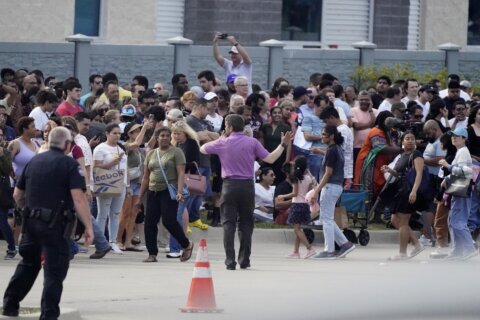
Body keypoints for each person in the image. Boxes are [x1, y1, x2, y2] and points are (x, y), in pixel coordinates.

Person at [2, 126, 94, 319]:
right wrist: (88, 226)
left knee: (28, 264)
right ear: (67, 145)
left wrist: (25, 213)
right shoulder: (69, 165)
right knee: (54, 271)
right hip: (55, 226)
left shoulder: (34, 161)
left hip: (31, 224)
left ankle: (10, 304)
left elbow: (18, 194)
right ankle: (48, 315)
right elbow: (78, 198)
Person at [200, 114, 293, 270]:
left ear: (229, 127)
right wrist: (283, 145)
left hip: (229, 185)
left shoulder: (223, 143)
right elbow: (270, 159)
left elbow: (202, 149)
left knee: (228, 224)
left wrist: (220, 139)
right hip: (248, 185)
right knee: (246, 224)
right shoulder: (252, 142)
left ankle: (230, 261)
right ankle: (244, 259)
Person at [136, 126, 194, 263]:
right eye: (162, 136)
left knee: (169, 221)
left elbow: (181, 173)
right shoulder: (151, 154)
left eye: (168, 135)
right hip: (152, 191)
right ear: (157, 138)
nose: (165, 138)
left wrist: (179, 192)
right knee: (149, 222)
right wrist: (139, 197)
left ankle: (186, 244)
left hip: (169, 191)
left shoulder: (176, 152)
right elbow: (145, 177)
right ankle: (152, 254)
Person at [310, 125, 356, 260]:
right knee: (327, 218)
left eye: (324, 135)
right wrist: (320, 151)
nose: (322, 137)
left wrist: (316, 191)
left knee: (327, 220)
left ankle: (329, 250)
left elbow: (328, 173)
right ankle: (345, 243)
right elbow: (330, 154)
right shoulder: (337, 148)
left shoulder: (332, 150)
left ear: (331, 136)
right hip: (336, 186)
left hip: (330, 186)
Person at [380, 131, 426, 260]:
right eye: (407, 138)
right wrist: (390, 170)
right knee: (395, 220)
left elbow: (419, 174)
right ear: (402, 142)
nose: (410, 140)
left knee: (403, 221)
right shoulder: (402, 155)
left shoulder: (416, 154)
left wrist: (414, 191)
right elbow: (400, 175)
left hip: (409, 190)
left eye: (412, 138)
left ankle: (402, 253)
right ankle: (417, 244)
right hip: (400, 190)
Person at [439, 127, 478, 260]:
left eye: (457, 136)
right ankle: (457, 251)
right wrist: (447, 178)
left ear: (464, 139)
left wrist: (447, 165)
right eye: (453, 136)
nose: (454, 138)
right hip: (459, 187)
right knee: (454, 221)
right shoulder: (461, 151)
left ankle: (469, 248)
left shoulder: (462, 152)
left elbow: (465, 171)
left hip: (461, 187)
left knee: (457, 221)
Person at [92, 123, 127, 254]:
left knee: (116, 214)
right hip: (106, 182)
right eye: (115, 133)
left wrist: (127, 184)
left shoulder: (120, 147)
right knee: (102, 213)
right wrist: (112, 163)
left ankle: (113, 241)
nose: (118, 135)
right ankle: (101, 242)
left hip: (121, 183)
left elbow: (125, 167)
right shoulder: (100, 148)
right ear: (107, 133)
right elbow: (96, 168)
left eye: (119, 133)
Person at [116, 121, 150, 251]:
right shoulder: (125, 146)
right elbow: (135, 144)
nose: (139, 133)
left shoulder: (138, 150)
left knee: (133, 213)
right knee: (124, 213)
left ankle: (128, 241)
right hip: (128, 183)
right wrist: (145, 128)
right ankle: (119, 239)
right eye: (136, 131)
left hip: (137, 183)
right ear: (129, 133)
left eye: (139, 131)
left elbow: (147, 144)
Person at [170, 121, 201, 257]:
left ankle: (176, 247)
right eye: (174, 133)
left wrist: (178, 165)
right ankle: (178, 245)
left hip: (187, 181)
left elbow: (194, 164)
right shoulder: (176, 144)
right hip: (177, 181)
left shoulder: (191, 143)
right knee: (176, 214)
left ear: (185, 132)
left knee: (177, 214)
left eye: (178, 133)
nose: (176, 136)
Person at [278, 156, 317, 259]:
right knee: (298, 229)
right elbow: (308, 191)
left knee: (296, 229)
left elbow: (295, 193)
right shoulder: (308, 178)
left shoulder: (294, 177)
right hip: (305, 205)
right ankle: (296, 251)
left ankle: (309, 248)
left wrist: (283, 196)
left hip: (297, 205)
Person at [260, 106, 291, 184]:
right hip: (266, 156)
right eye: (275, 113)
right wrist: (260, 156)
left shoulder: (286, 127)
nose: (277, 115)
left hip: (280, 158)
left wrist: (287, 160)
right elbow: (261, 141)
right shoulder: (265, 126)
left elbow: (289, 145)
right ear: (271, 115)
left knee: (278, 179)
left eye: (279, 113)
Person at [0, 126, 15, 259]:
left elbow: (7, 169)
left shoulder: (5, 152)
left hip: (2, 190)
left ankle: (11, 247)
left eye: (1, 135)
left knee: (2, 222)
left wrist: (1, 156)